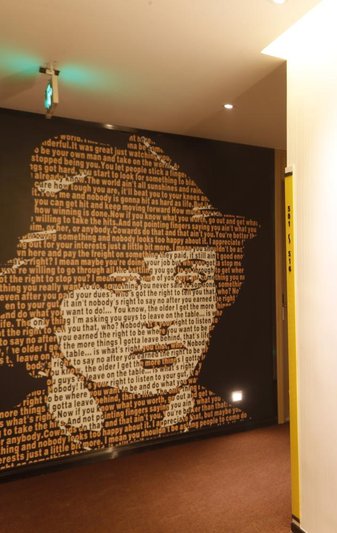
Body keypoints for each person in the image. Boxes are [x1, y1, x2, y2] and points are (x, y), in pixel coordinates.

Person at [0, 134, 258, 470]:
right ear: (41, 307)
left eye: (191, 279)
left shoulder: (228, 419)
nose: (163, 315)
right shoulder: (12, 440)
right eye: (120, 282)